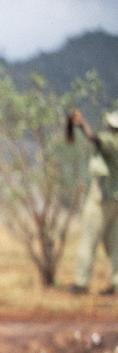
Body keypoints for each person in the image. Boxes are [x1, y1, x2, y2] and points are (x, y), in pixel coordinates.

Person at [68, 108, 118, 295]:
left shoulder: (112, 143)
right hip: (116, 201)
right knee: (115, 244)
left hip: (102, 199)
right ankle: (116, 282)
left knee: (89, 240)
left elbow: (94, 138)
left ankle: (81, 282)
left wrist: (81, 124)